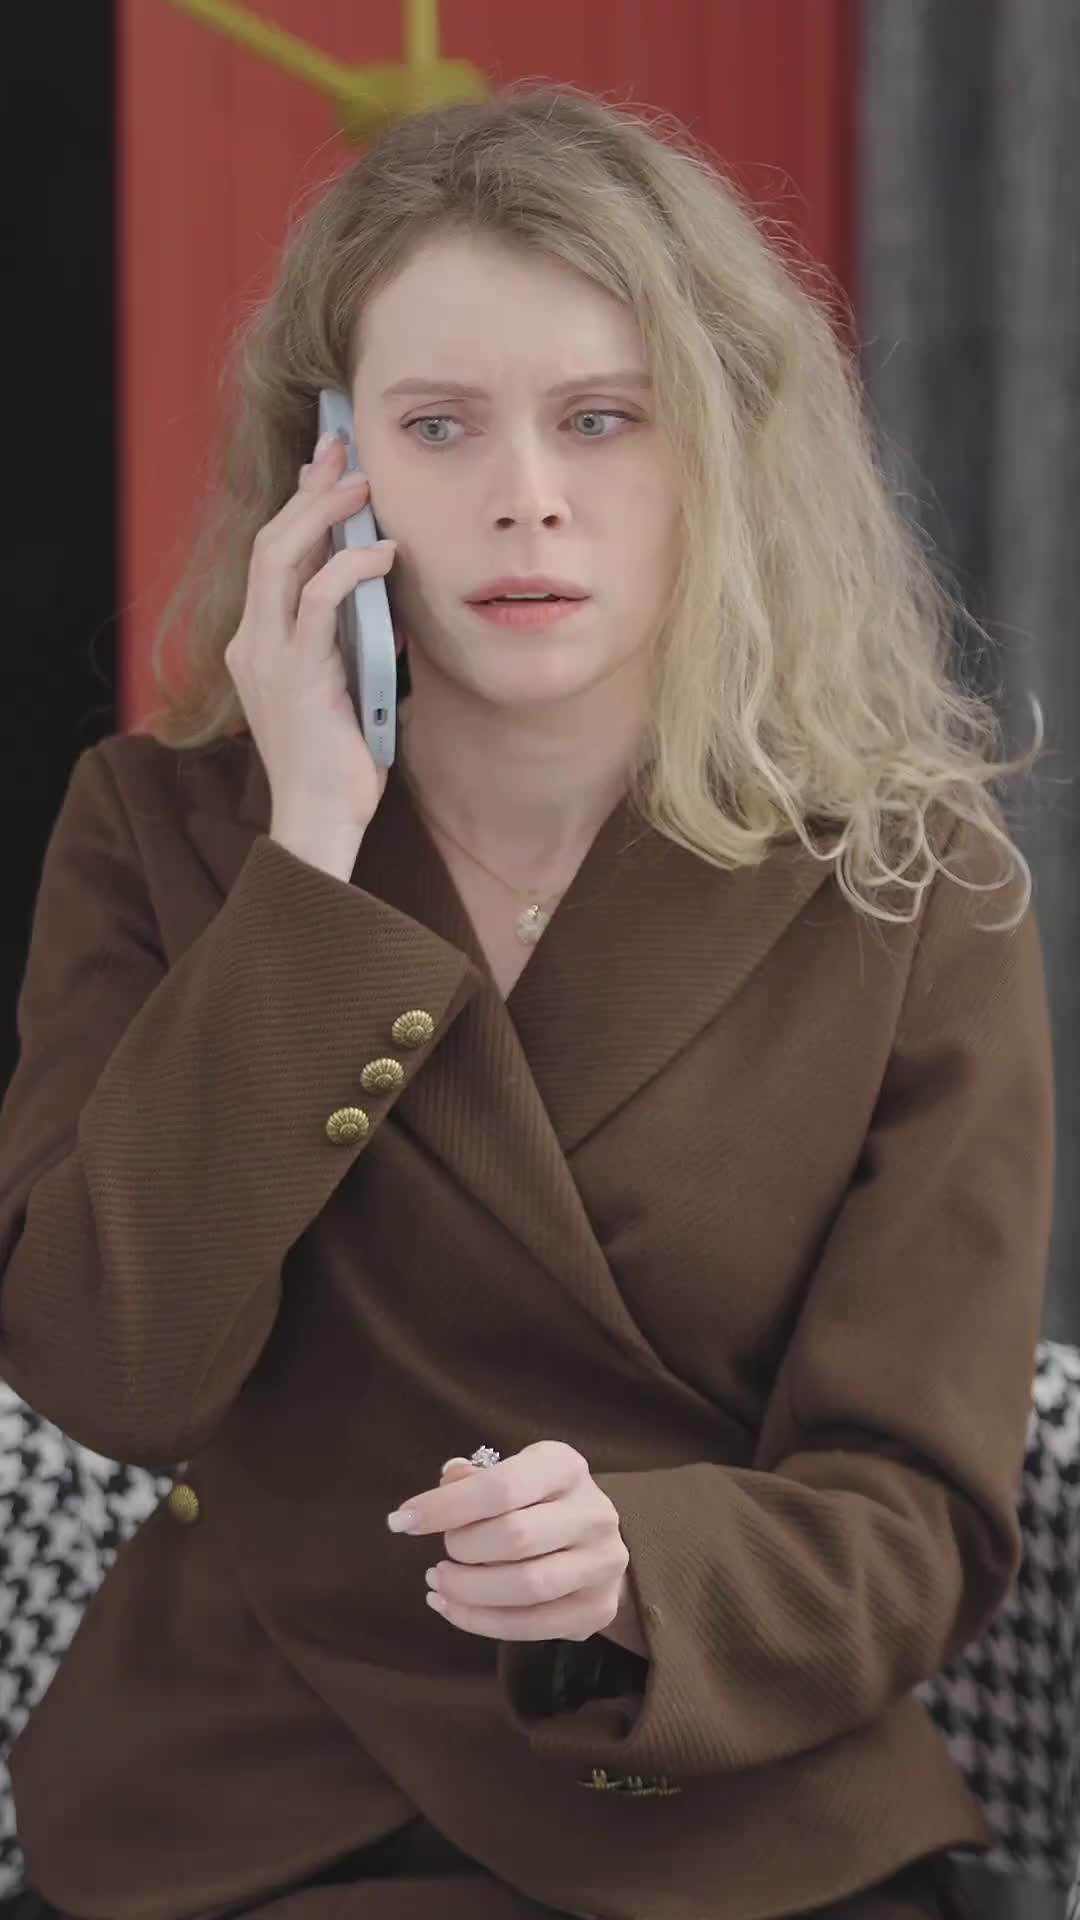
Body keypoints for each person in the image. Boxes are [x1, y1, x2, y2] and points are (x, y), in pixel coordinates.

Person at [0, 83, 1054, 1920]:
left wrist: (638, 1567)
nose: (527, 496)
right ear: (332, 471)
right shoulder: (162, 832)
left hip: (714, 1799)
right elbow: (107, 1371)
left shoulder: (914, 885)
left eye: (603, 418)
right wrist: (308, 852)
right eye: (437, 425)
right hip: (250, 1807)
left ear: (723, 448)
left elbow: (922, 1510)